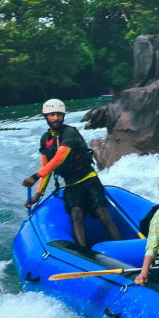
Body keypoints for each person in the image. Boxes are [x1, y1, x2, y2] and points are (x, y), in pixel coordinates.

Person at [21, 99, 121, 247]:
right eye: (51, 115)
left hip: (89, 180)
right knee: (76, 215)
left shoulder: (69, 132)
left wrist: (36, 176)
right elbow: (47, 166)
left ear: (63, 116)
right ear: (46, 117)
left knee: (102, 214)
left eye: (59, 114)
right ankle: (84, 254)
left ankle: (119, 248)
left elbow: (59, 157)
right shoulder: (45, 139)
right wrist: (38, 194)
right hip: (71, 185)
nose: (56, 118)